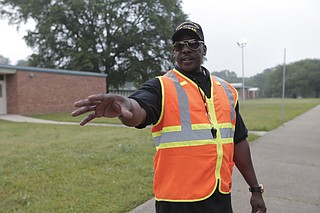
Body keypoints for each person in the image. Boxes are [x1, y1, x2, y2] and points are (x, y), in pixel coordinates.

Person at [71, 21, 267, 213]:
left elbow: (238, 140)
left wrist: (255, 189)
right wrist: (126, 107)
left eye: (192, 43)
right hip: (176, 201)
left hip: (219, 197)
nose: (185, 49)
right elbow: (139, 109)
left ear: (204, 49)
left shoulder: (227, 91)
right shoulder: (162, 86)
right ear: (174, 52)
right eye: (179, 46)